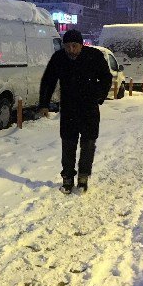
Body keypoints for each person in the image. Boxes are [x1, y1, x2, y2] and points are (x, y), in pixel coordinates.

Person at [38, 29, 112, 194]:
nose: (71, 50)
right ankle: (68, 178)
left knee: (88, 144)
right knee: (68, 143)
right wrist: (44, 103)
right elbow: (48, 80)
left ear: (81, 45)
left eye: (74, 46)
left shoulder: (94, 56)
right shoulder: (59, 58)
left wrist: (97, 96)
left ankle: (83, 176)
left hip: (89, 108)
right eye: (67, 46)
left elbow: (106, 78)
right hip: (69, 109)